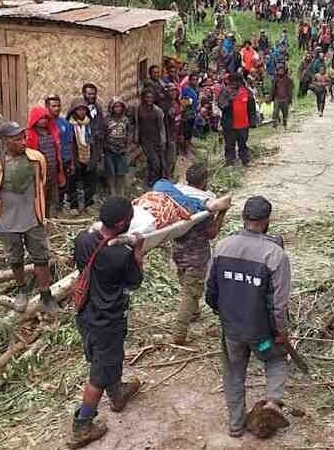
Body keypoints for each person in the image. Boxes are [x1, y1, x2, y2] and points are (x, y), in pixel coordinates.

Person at [205, 196, 291, 438]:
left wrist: (223, 313)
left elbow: (210, 291)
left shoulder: (222, 246)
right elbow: (278, 304)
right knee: (274, 359)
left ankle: (235, 424)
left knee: (234, 371)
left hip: (232, 331)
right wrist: (280, 333)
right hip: (261, 335)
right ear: (266, 221)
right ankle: (273, 403)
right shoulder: (275, 255)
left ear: (244, 218)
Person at [68, 197, 145, 449]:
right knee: (98, 375)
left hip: (86, 315)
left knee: (106, 358)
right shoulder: (120, 255)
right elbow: (134, 282)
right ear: (122, 223)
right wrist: (137, 252)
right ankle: (82, 425)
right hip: (107, 321)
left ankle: (117, 393)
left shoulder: (82, 240)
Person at [0, 122, 57, 312]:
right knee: (15, 257)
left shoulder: (36, 159)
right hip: (6, 218)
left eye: (23, 138)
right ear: (5, 141)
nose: (23, 142)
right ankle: (22, 291)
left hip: (31, 215)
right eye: (17, 139)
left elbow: (43, 182)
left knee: (41, 257)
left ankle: (46, 295)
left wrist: (43, 211)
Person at [172, 164, 229, 344]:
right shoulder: (207, 201)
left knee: (187, 285)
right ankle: (179, 333)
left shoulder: (178, 194)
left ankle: (194, 313)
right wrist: (222, 213)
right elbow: (211, 233)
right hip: (196, 255)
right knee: (191, 291)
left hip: (178, 251)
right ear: (204, 181)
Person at [26, 106, 65, 217]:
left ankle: (52, 217)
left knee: (54, 195)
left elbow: (57, 149)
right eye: (40, 118)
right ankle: (41, 216)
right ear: (35, 120)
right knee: (40, 195)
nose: (43, 121)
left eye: (45, 118)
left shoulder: (52, 132)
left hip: (53, 169)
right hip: (39, 172)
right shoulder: (30, 135)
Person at [67, 99, 99, 213]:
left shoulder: (90, 124)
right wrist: (73, 161)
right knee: (73, 182)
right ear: (73, 111)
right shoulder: (69, 125)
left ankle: (88, 203)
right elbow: (69, 144)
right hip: (75, 158)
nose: (81, 112)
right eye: (79, 109)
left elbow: (95, 142)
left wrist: (94, 158)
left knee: (89, 182)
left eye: (84, 109)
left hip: (89, 156)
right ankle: (74, 205)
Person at [218, 73, 256, 166]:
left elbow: (251, 107)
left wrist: (252, 121)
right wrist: (230, 101)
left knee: (243, 143)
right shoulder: (225, 92)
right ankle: (230, 162)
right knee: (229, 144)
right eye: (232, 81)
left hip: (243, 124)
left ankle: (245, 160)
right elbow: (221, 105)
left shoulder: (246, 91)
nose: (234, 84)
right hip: (229, 124)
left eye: (236, 81)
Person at [45, 95, 74, 211]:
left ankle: (59, 208)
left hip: (64, 159)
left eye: (58, 106)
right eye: (53, 106)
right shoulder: (43, 123)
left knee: (63, 185)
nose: (56, 108)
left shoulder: (65, 123)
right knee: (49, 186)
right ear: (47, 107)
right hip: (49, 161)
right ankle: (47, 210)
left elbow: (70, 143)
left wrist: (71, 161)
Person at [134, 90, 167, 185]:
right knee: (154, 161)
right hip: (145, 139)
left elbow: (161, 126)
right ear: (144, 98)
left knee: (158, 161)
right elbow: (136, 123)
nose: (149, 99)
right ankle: (153, 180)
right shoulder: (139, 109)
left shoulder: (157, 111)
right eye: (147, 97)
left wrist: (163, 140)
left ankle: (154, 179)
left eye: (151, 97)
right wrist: (136, 136)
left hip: (156, 138)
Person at [104, 98, 132, 198]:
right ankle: (112, 192)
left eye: (120, 106)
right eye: (115, 106)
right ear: (111, 108)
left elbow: (128, 133)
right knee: (111, 172)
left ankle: (121, 192)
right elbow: (104, 134)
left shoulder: (125, 120)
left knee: (121, 172)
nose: (118, 109)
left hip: (122, 150)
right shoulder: (107, 120)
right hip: (110, 149)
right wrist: (106, 146)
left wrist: (127, 146)